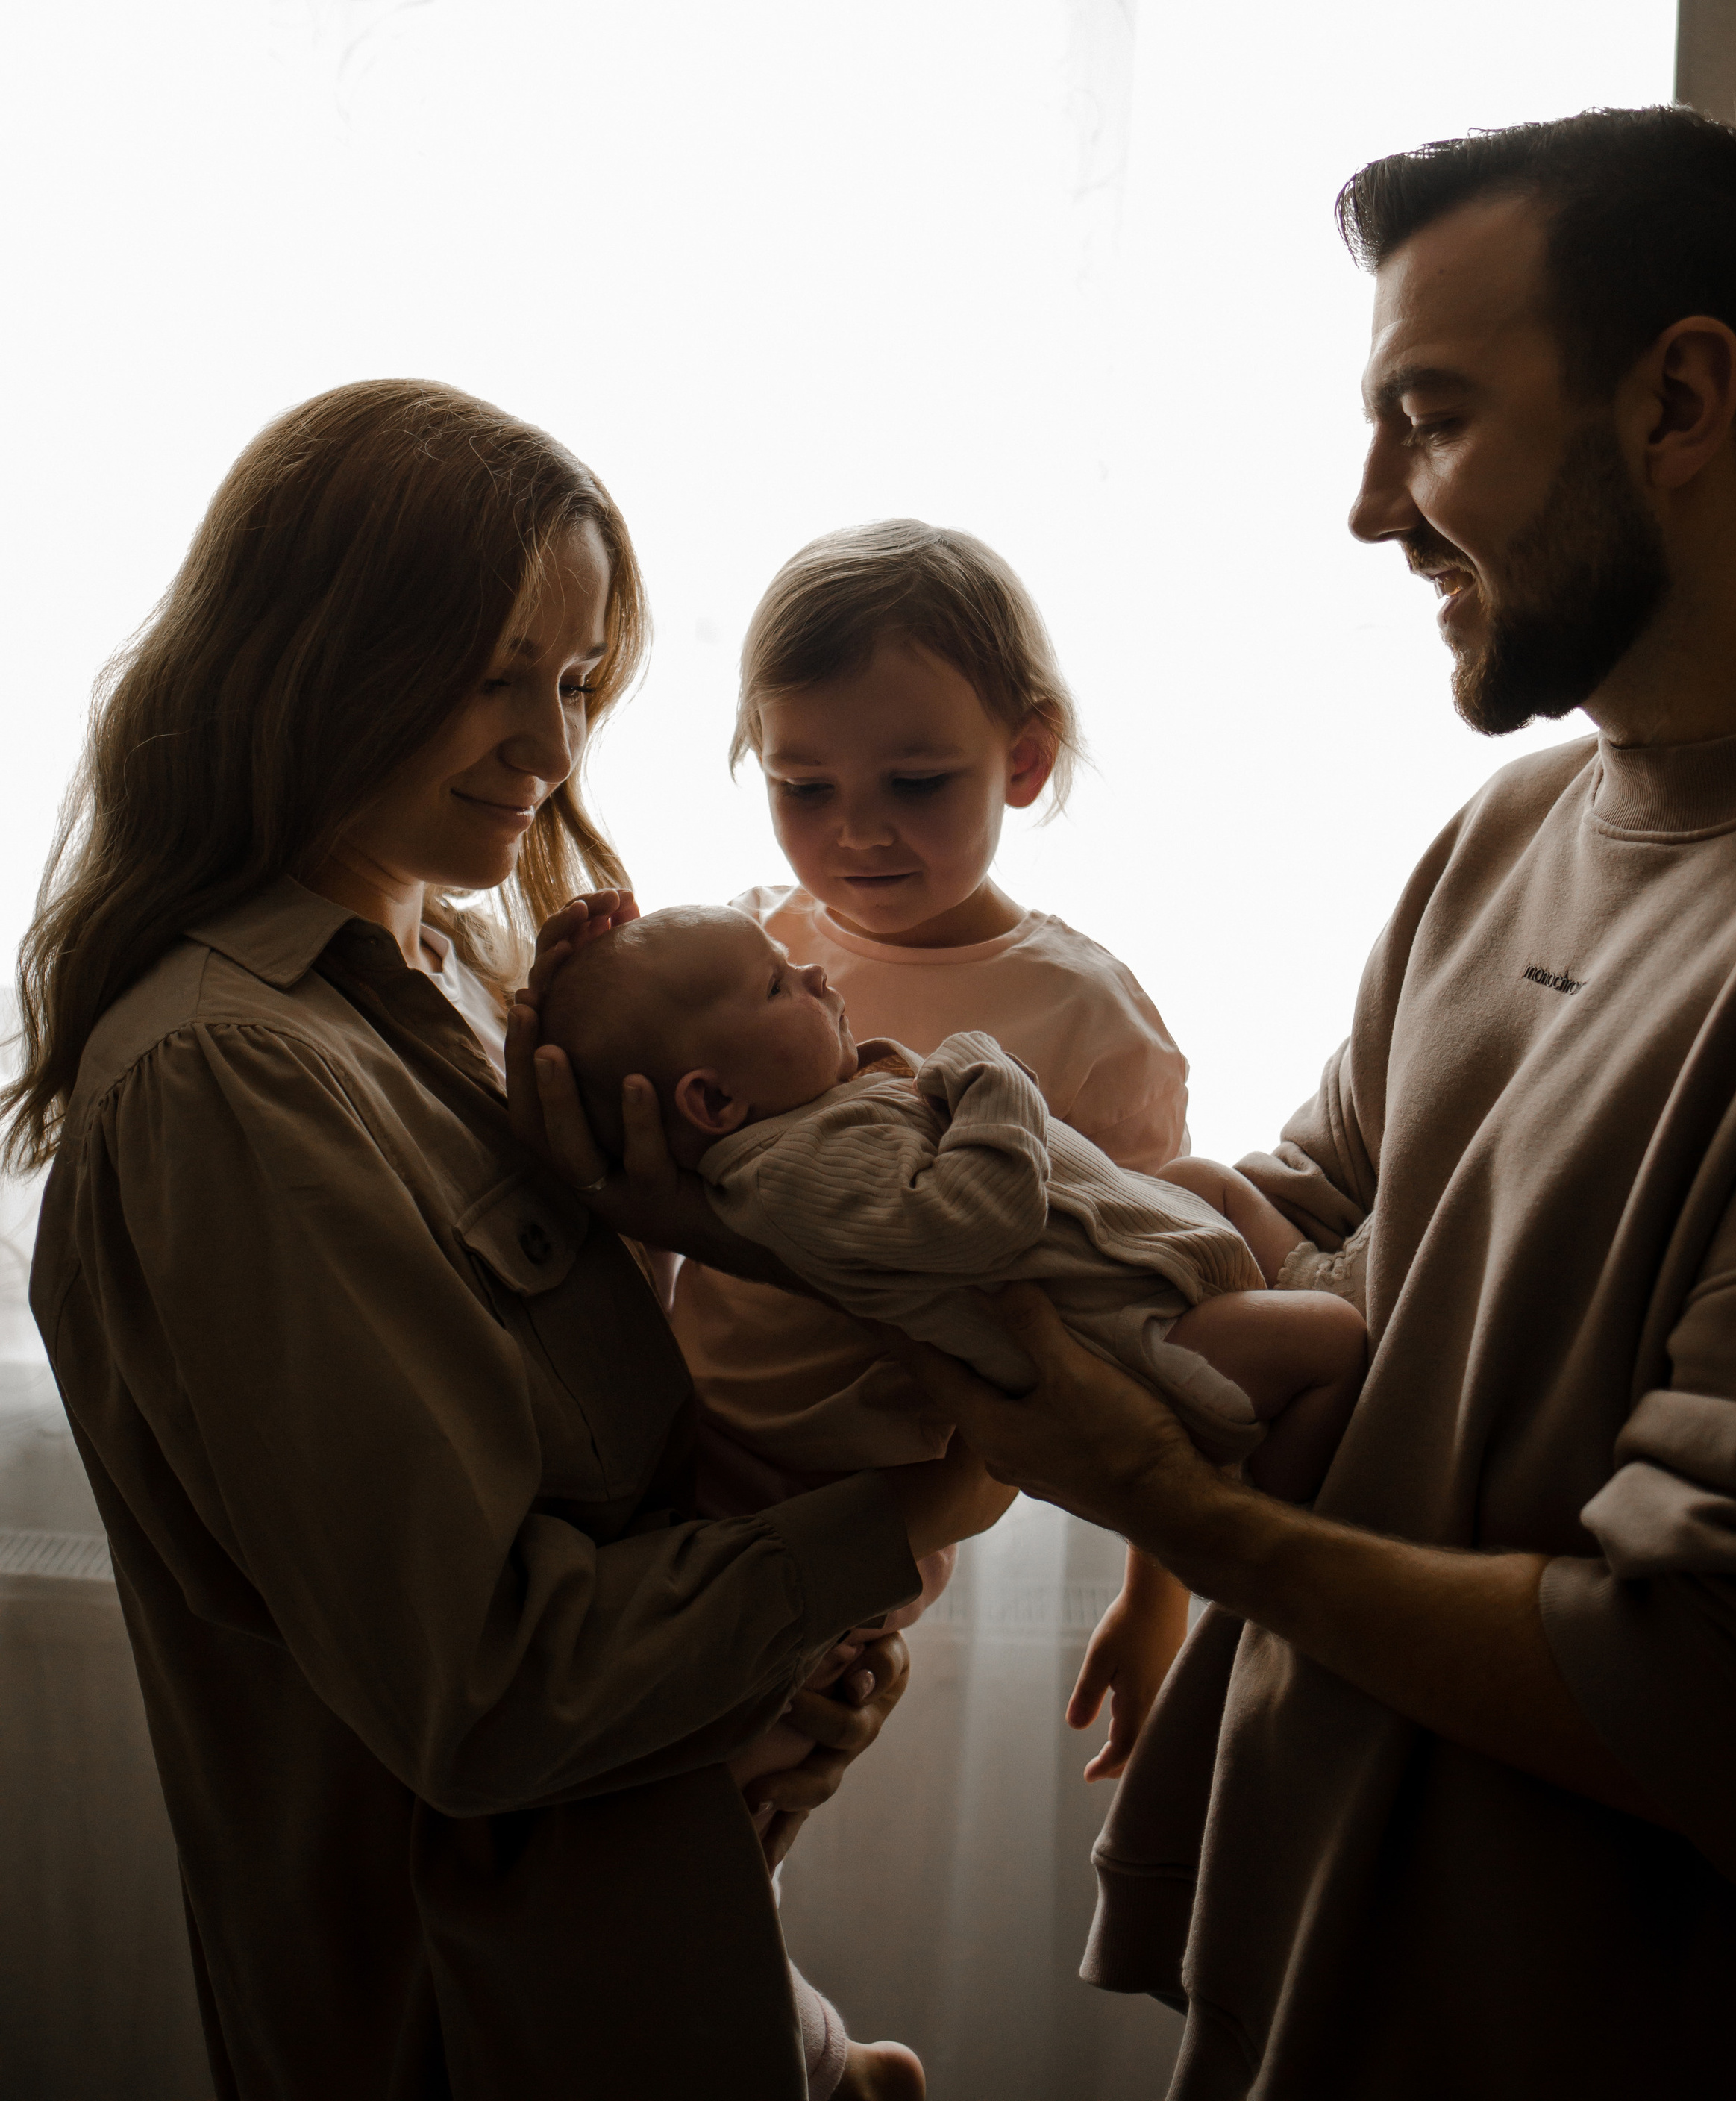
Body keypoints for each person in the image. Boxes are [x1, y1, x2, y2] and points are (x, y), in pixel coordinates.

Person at [530, 107, 1736, 2100]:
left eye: (1430, 415)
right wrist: (785, 1198)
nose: (1372, 506)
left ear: (1682, 399)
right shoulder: (1511, 832)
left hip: (1584, 2016)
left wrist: (1159, 1501)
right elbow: (1312, 1212)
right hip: (1315, 1942)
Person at [13, 379, 1008, 2101]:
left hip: (657, 1929)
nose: (551, 753)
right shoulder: (227, 1077)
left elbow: (593, 1464)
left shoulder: (483, 971)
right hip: (473, 2024)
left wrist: (780, 1678)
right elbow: (488, 1690)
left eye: (572, 683)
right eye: (493, 674)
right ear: (317, 651)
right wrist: (912, 1512)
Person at [680, 518, 1207, 1774]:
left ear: (1023, 759)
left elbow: (1159, 1324)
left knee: (748, 1774)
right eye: (802, 789)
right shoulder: (752, 945)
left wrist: (1158, 1595)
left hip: (880, 1507)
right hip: (668, 1454)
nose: (855, 833)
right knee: (634, 1807)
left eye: (914, 785)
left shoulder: (1085, 1017)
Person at [541, 904, 1366, 1501]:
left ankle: (1312, 1272)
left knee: (1205, 1180)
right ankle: (1285, 1485)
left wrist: (894, 1068)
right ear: (715, 1104)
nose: (813, 972)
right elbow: (979, 1217)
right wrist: (988, 1069)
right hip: (1135, 1345)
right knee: (1334, 1341)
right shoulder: (793, 1173)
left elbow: (907, 1115)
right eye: (775, 987)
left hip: (1134, 1265)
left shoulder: (817, 1120)